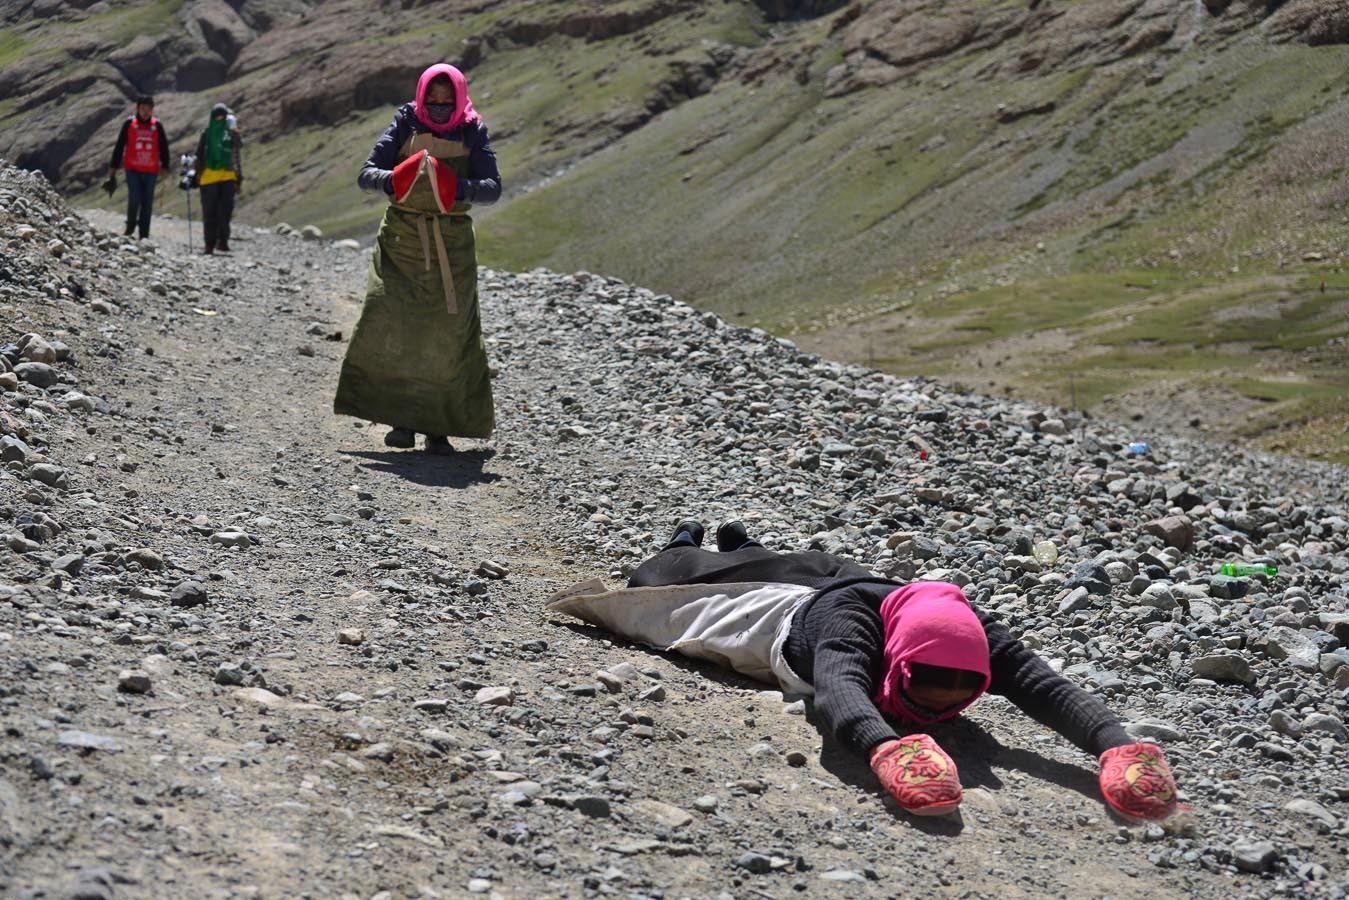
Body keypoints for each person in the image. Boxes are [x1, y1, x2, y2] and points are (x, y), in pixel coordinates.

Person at [550, 520, 1180, 820]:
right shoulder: (848, 627)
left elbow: (1046, 687)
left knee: (788, 557)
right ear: (900, 660)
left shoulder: (968, 632)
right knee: (661, 581)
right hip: (790, 610)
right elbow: (840, 690)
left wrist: (1119, 748)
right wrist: (885, 749)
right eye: (922, 694)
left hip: (850, 581)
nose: (935, 710)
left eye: (956, 699)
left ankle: (742, 543)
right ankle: (692, 541)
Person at [333, 63, 502, 455]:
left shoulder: (473, 130)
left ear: (459, 98)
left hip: (451, 245)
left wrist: (452, 185)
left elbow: (492, 188)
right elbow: (367, 173)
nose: (440, 106)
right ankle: (401, 422)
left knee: (447, 332)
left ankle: (438, 428)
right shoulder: (405, 122)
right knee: (391, 320)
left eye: (447, 101)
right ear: (422, 96)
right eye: (433, 100)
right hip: (401, 241)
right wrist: (398, 178)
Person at [108, 95, 170, 239]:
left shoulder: (157, 125)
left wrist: (165, 165)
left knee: (147, 202)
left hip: (151, 170)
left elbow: (164, 147)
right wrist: (113, 165)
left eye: (149, 109)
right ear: (137, 108)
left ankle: (144, 234)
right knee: (134, 198)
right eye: (143, 108)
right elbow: (120, 145)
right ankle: (130, 226)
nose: (145, 112)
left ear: (152, 109)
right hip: (132, 169)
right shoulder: (129, 123)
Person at [192, 103, 244, 255]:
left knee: (226, 210)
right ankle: (209, 244)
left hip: (228, 176)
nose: (220, 120)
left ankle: (223, 241)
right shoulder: (206, 134)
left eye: (223, 117)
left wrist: (239, 180)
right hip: (208, 179)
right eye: (217, 117)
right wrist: (198, 174)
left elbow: (238, 150)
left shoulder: (231, 133)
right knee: (210, 212)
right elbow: (199, 155)